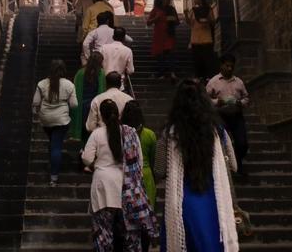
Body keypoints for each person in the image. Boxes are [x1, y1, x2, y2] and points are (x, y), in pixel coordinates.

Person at [155, 79, 239, 252]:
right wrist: (233, 202)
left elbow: (159, 170)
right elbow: (233, 166)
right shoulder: (218, 131)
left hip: (182, 201)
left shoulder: (168, 133)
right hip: (213, 201)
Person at [82, 99, 155, 252]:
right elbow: (139, 161)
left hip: (102, 186)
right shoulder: (131, 132)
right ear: (118, 113)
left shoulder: (97, 134)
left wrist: (96, 164)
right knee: (129, 234)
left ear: (101, 115)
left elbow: (86, 158)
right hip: (126, 187)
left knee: (103, 233)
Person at [33, 59, 78, 186]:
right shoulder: (69, 85)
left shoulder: (42, 84)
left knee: (53, 142)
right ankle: (54, 177)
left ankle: (51, 162)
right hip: (61, 120)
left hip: (46, 119)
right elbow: (74, 105)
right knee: (57, 146)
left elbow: (35, 102)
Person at [122, 100, 158, 250]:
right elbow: (154, 158)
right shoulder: (150, 134)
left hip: (125, 178)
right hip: (146, 176)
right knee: (146, 217)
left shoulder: (120, 134)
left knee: (127, 220)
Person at [206, 54, 249, 176]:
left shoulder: (239, 82)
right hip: (220, 116)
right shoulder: (213, 82)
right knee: (221, 143)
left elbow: (246, 97)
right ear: (221, 66)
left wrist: (241, 103)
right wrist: (218, 102)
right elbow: (205, 99)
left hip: (236, 115)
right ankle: (223, 168)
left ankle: (237, 162)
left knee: (242, 143)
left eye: (232, 66)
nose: (229, 68)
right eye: (227, 66)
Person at [70, 52, 106, 142]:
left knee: (83, 128)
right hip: (94, 104)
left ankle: (83, 149)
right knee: (92, 129)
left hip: (81, 105)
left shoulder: (80, 73)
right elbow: (101, 90)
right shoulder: (100, 73)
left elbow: (74, 88)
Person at [186, 0, 217, 83]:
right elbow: (190, 23)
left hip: (206, 37)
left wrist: (208, 20)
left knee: (207, 58)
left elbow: (213, 22)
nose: (195, 0)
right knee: (197, 59)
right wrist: (186, 15)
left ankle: (208, 76)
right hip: (195, 38)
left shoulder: (208, 9)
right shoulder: (193, 10)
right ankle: (198, 76)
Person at [148, 0, 179, 81]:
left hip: (169, 34)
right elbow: (148, 22)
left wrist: (172, 19)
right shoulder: (156, 10)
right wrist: (156, 18)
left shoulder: (171, 9)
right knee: (160, 55)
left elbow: (177, 22)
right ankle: (161, 73)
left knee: (170, 54)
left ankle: (172, 73)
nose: (166, 1)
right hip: (159, 36)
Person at [101, 27, 135, 93]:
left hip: (104, 83)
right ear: (124, 38)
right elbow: (131, 71)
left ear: (113, 36)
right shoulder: (128, 51)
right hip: (119, 84)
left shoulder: (103, 48)